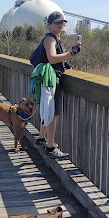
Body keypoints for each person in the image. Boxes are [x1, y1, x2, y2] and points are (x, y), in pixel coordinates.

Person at [35, 11, 81, 158]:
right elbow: (53, 58)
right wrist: (72, 52)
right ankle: (50, 147)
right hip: (50, 80)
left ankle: (42, 139)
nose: (61, 25)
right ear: (49, 24)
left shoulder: (55, 39)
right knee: (53, 114)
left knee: (47, 109)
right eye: (57, 22)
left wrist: (66, 64)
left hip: (51, 79)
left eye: (62, 22)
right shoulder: (50, 40)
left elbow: (56, 59)